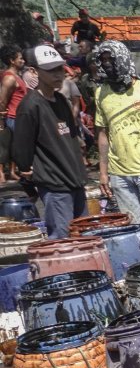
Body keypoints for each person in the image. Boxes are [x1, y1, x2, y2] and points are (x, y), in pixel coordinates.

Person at [13, 46, 88, 239]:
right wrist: (27, 169)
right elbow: (22, 149)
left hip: (75, 181)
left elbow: (70, 137)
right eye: (51, 70)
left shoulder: (61, 100)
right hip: (55, 185)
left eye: (59, 69)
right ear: (34, 71)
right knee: (62, 240)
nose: (58, 74)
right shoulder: (30, 106)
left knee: (85, 236)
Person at [94, 40, 140, 225]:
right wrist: (103, 173)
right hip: (119, 174)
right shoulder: (101, 93)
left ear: (123, 59)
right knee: (133, 225)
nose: (107, 64)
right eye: (103, 60)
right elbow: (102, 134)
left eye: (111, 59)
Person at [0, 46, 28, 183]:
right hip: (14, 118)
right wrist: (1, 120)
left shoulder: (17, 76)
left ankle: (23, 174)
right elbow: (2, 101)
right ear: (12, 60)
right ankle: (26, 177)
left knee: (22, 148)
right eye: (20, 58)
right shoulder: (9, 79)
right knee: (20, 149)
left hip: (21, 118)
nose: (23, 60)